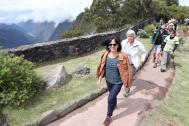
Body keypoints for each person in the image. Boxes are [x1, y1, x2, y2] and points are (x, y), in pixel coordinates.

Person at [96, 37, 132, 126]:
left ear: (118, 45)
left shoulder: (123, 56)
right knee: (113, 96)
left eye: (114, 44)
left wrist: (127, 85)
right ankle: (114, 104)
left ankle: (108, 116)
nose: (112, 46)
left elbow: (128, 71)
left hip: (118, 82)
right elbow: (103, 68)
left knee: (110, 98)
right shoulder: (105, 55)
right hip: (108, 80)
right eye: (110, 44)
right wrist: (100, 79)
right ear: (108, 46)